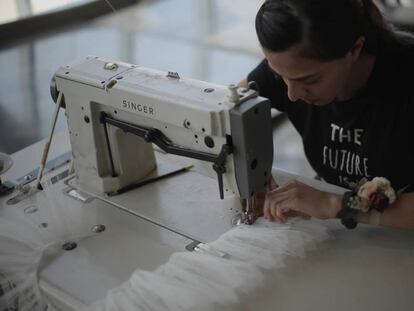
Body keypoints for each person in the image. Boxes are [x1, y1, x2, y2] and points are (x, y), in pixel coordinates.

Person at [242, 0, 414, 230]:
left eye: (309, 80)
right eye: (280, 76)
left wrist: (334, 204)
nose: (292, 95)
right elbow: (230, 109)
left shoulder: (406, 76)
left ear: (354, 50)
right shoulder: (295, 65)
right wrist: (252, 169)